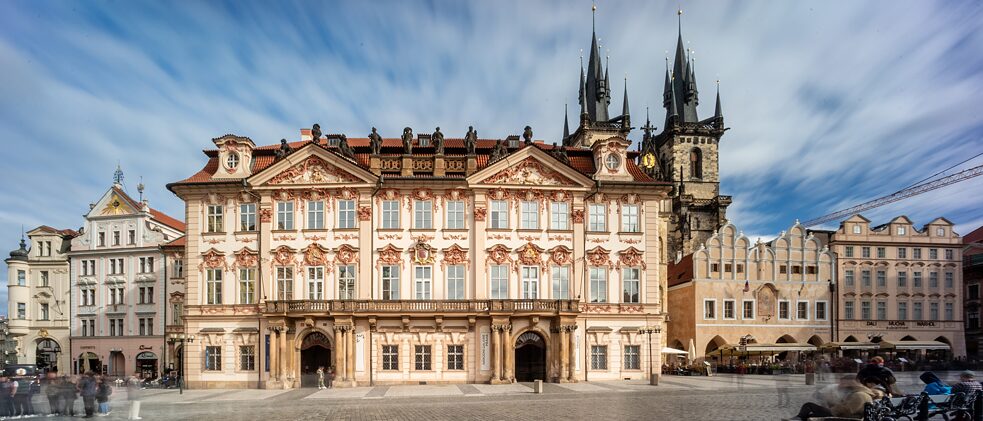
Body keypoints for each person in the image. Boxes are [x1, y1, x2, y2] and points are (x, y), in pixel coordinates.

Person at [785, 375, 884, 421]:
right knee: (811, 413)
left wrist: (833, 407)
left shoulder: (859, 395)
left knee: (808, 406)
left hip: (843, 415)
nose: (842, 384)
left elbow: (846, 410)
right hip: (847, 413)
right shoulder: (863, 393)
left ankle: (797, 418)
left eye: (844, 382)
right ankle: (799, 418)